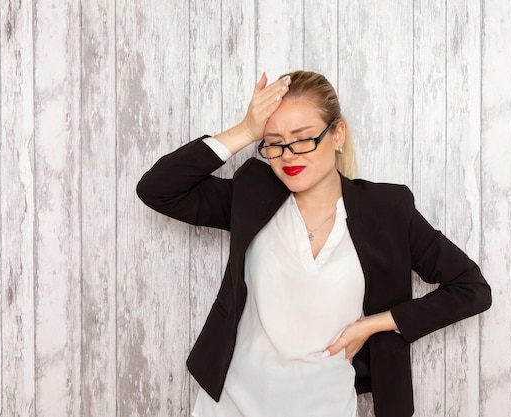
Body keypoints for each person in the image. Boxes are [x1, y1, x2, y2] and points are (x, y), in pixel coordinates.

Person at [136, 70, 492, 417]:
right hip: (232, 402)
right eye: (274, 143)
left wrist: (373, 324)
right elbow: (157, 189)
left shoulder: (388, 211)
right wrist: (246, 130)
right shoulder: (250, 195)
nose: (288, 154)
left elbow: (471, 288)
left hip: (326, 402)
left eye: (303, 138)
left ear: (337, 135)